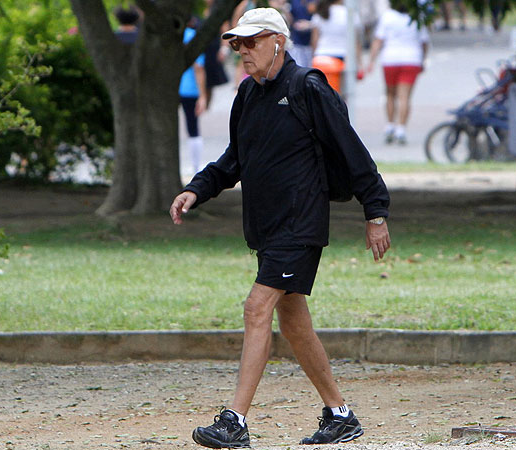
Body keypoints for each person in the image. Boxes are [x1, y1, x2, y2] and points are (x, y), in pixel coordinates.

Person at [169, 7, 391, 449]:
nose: (242, 52)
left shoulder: (308, 87)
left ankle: (235, 422)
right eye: (236, 44)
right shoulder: (248, 96)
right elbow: (234, 160)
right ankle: (340, 415)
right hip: (267, 229)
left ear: (278, 42)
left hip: (301, 225)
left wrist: (376, 212)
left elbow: (353, 152)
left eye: (250, 42)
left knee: (257, 308)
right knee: (293, 323)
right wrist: (197, 189)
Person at [366, 0, 430, 145]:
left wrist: (371, 60)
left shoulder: (387, 16)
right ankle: (401, 128)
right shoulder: (417, 16)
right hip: (411, 59)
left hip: (390, 58)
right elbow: (424, 41)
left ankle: (390, 125)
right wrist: (423, 59)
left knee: (390, 93)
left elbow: (378, 40)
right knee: (405, 96)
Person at [310, 0, 363, 94]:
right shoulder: (350, 14)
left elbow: (314, 40)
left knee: (322, 94)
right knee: (341, 95)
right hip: (342, 56)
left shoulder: (320, 13)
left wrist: (313, 57)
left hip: (321, 56)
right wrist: (359, 63)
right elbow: (355, 42)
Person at [180, 21, 208, 173]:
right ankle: (196, 166)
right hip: (189, 88)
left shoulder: (163, 36)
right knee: (193, 127)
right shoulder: (191, 36)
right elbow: (199, 67)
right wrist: (203, 95)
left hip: (171, 88)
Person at [288, 0, 317, 68]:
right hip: (297, 41)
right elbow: (291, 19)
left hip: (311, 43)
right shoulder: (294, 2)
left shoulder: (315, 2)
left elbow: (320, 19)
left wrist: (309, 24)